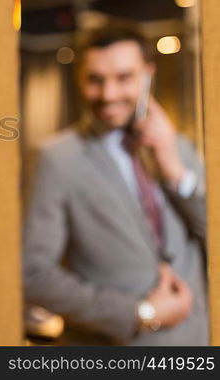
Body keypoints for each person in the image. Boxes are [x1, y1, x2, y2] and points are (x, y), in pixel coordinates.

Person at [23, 25, 207, 345]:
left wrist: (175, 170)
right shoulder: (56, 158)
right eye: (95, 80)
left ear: (148, 74)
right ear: (79, 78)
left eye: (124, 78)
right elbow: (33, 274)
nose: (108, 95)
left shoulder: (177, 145)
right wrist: (139, 313)